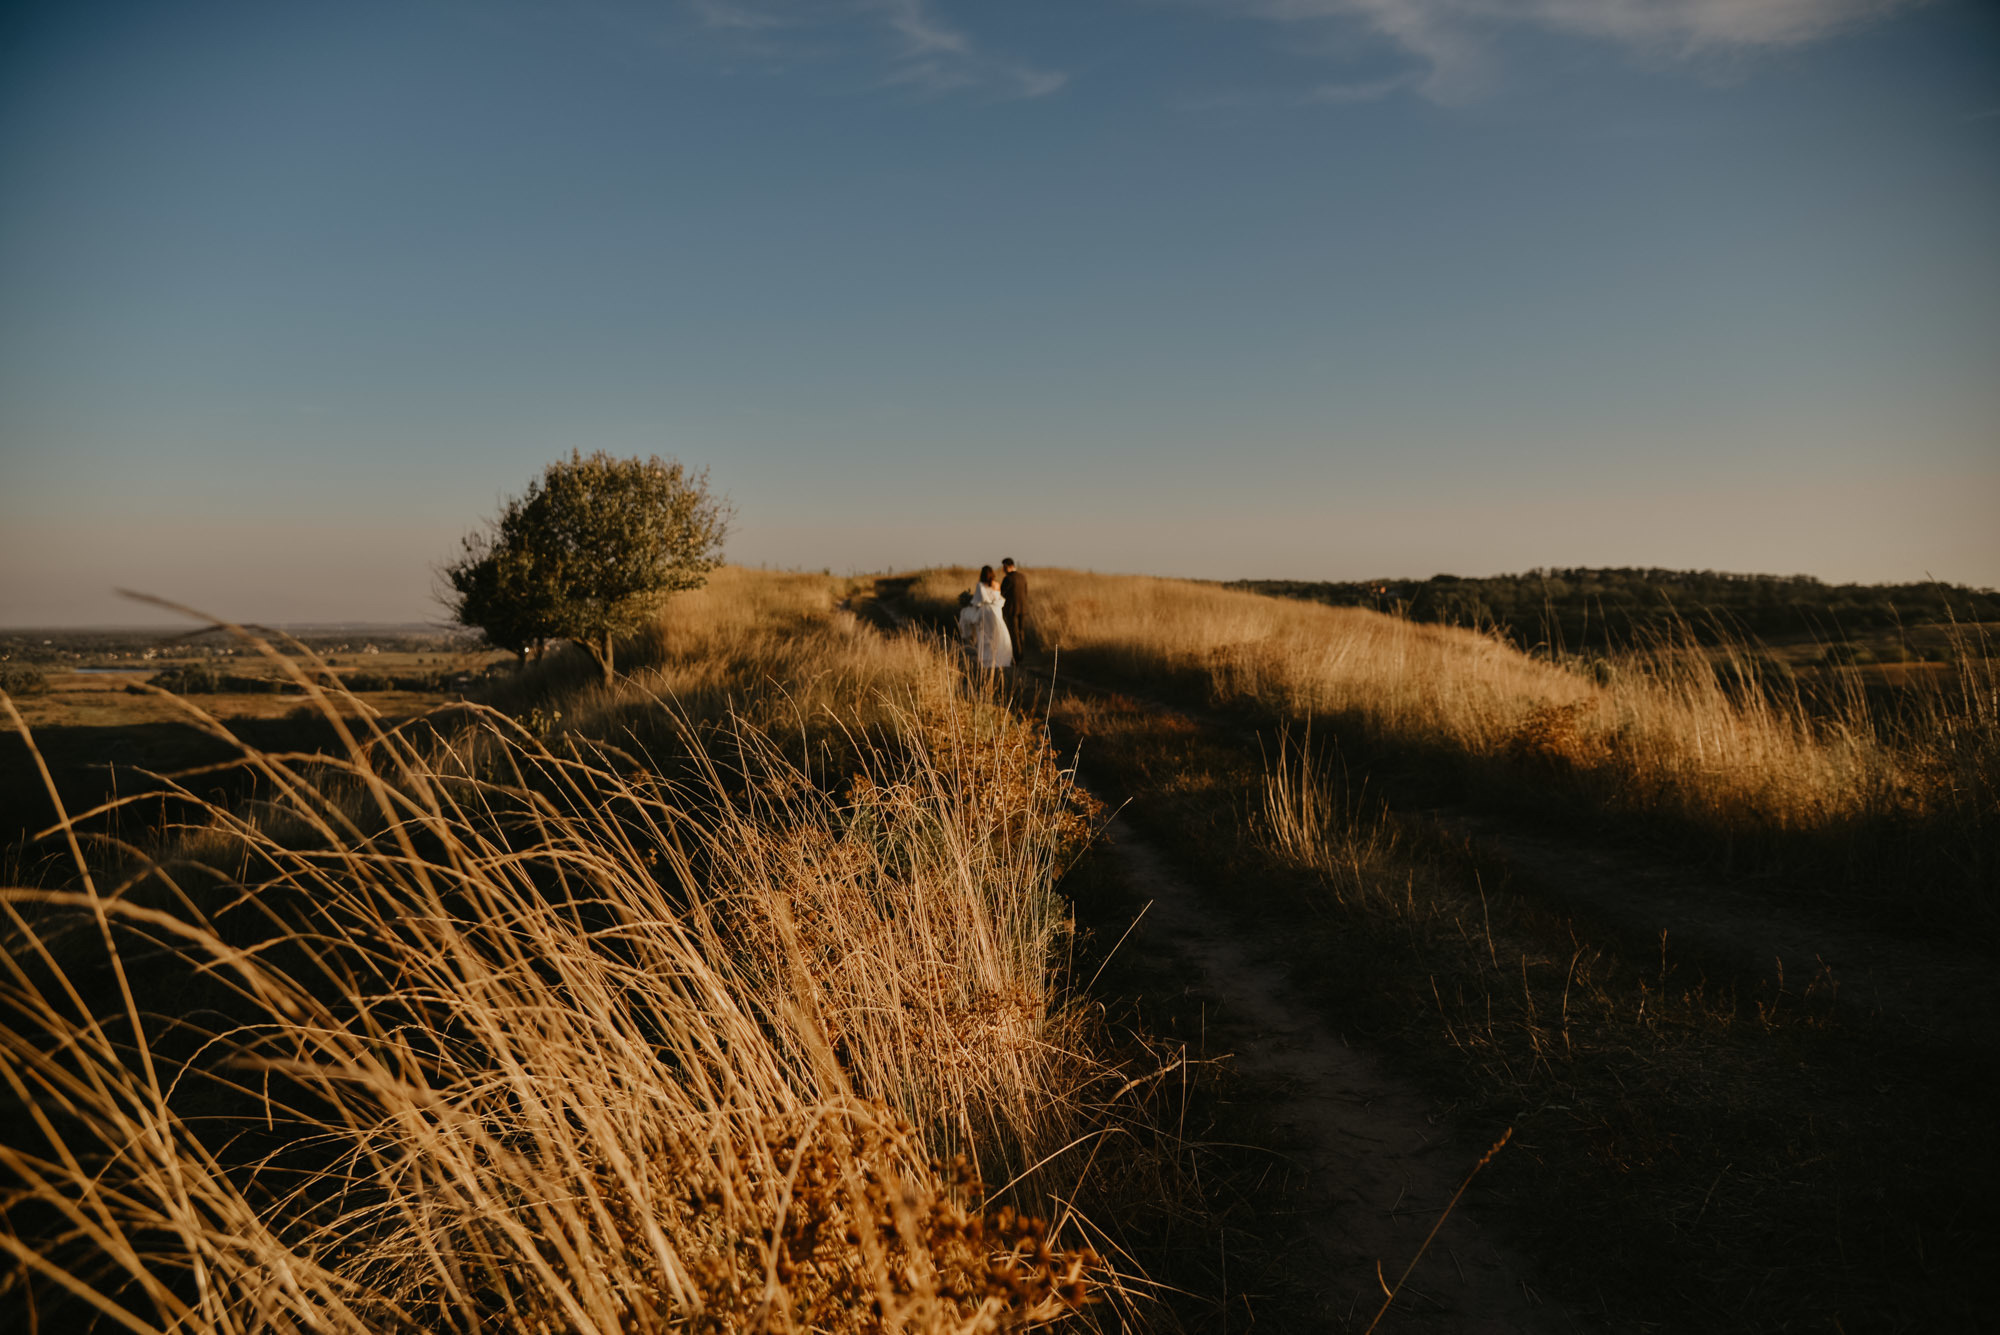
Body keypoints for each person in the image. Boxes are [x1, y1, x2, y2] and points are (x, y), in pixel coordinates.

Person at [969, 565, 1014, 671]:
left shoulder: (980, 585)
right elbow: (998, 598)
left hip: (985, 612)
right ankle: (1000, 658)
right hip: (996, 611)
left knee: (985, 635)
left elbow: (977, 601)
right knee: (998, 634)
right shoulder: (997, 584)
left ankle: (986, 658)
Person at [999, 558, 1030, 658]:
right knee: (1021, 631)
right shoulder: (1023, 577)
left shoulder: (1008, 578)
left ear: (1009, 566)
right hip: (1023, 608)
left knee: (1014, 633)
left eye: (1004, 567)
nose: (1003, 569)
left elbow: (1001, 593)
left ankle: (1017, 655)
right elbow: (1025, 592)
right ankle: (1022, 653)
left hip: (1012, 610)